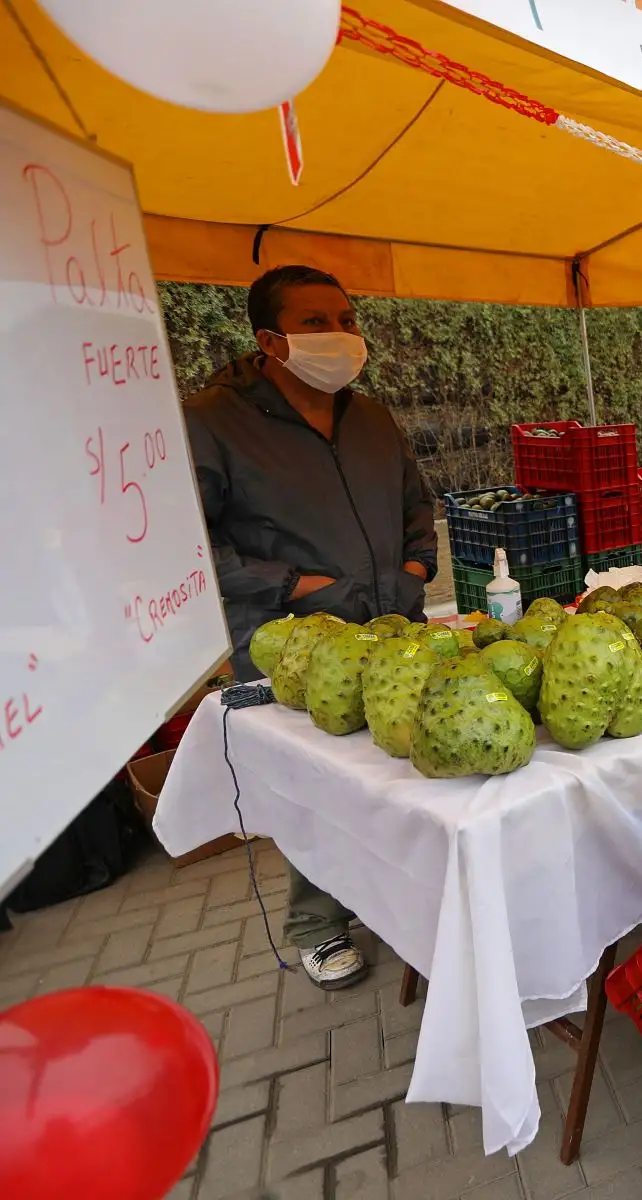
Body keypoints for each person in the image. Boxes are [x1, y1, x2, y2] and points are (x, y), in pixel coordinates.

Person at [186, 265, 437, 990]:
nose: (341, 336)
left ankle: (395, 894)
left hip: (392, 625)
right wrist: (296, 585)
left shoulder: (374, 418)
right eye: (318, 322)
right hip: (290, 643)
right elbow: (192, 543)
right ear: (270, 339)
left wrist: (417, 569)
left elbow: (416, 505)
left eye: (348, 319)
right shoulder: (210, 422)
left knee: (393, 769)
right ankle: (316, 923)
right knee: (313, 788)